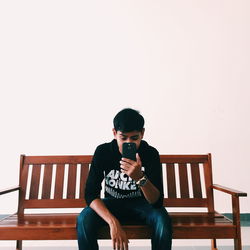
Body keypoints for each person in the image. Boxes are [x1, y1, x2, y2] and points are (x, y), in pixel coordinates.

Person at [77, 108, 172, 250]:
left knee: (162, 219)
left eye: (134, 138)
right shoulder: (103, 151)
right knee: (84, 218)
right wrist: (112, 222)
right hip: (112, 203)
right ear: (114, 133)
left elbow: (156, 202)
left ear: (142, 134)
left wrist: (140, 178)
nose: (129, 143)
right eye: (123, 137)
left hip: (143, 204)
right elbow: (90, 194)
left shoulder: (150, 153)